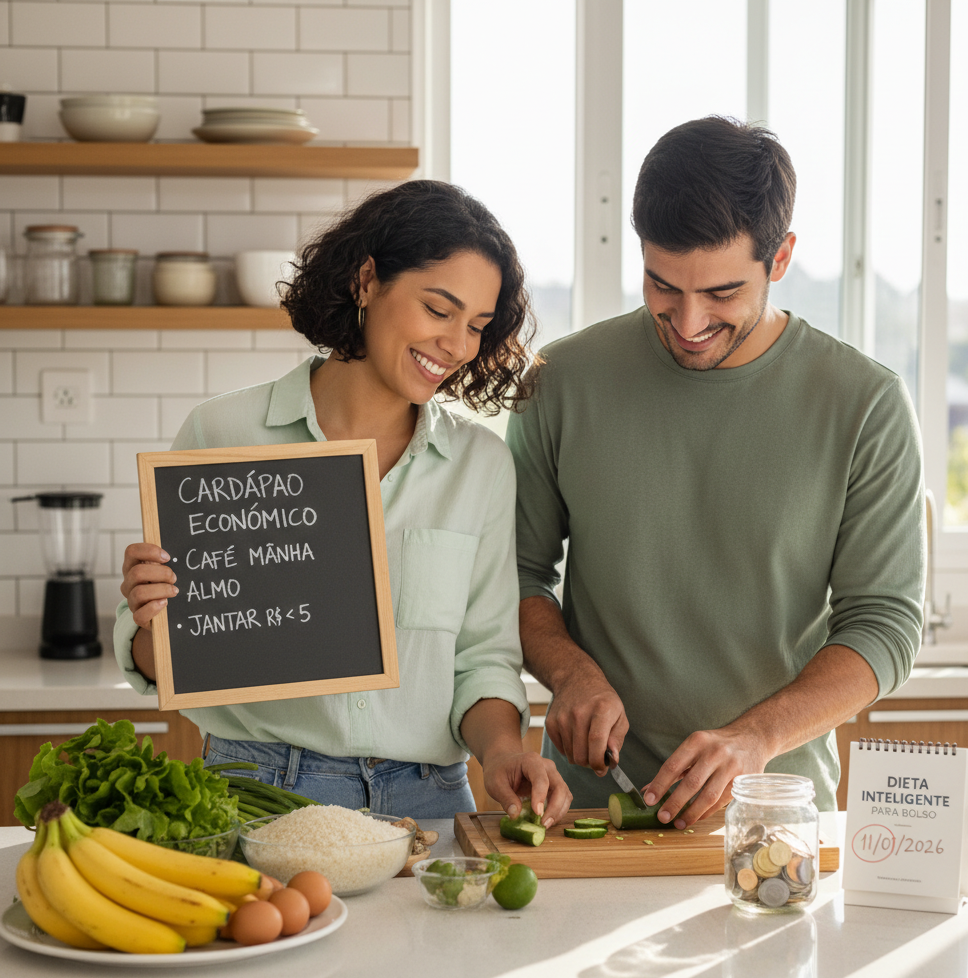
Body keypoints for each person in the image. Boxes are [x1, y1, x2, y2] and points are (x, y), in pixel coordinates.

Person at [507, 116, 925, 827]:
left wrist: (756, 738)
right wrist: (569, 672)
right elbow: (511, 576)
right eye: (662, 285)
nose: (689, 321)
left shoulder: (864, 404)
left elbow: (884, 623)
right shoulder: (561, 383)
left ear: (782, 257)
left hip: (772, 813)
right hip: (583, 814)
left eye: (722, 294)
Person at [115, 179, 571, 826]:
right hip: (258, 795)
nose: (458, 345)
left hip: (429, 803)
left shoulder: (480, 466)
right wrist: (152, 614)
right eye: (439, 310)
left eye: (476, 326)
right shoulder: (221, 436)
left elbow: (481, 660)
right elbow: (171, 659)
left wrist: (502, 753)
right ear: (366, 281)